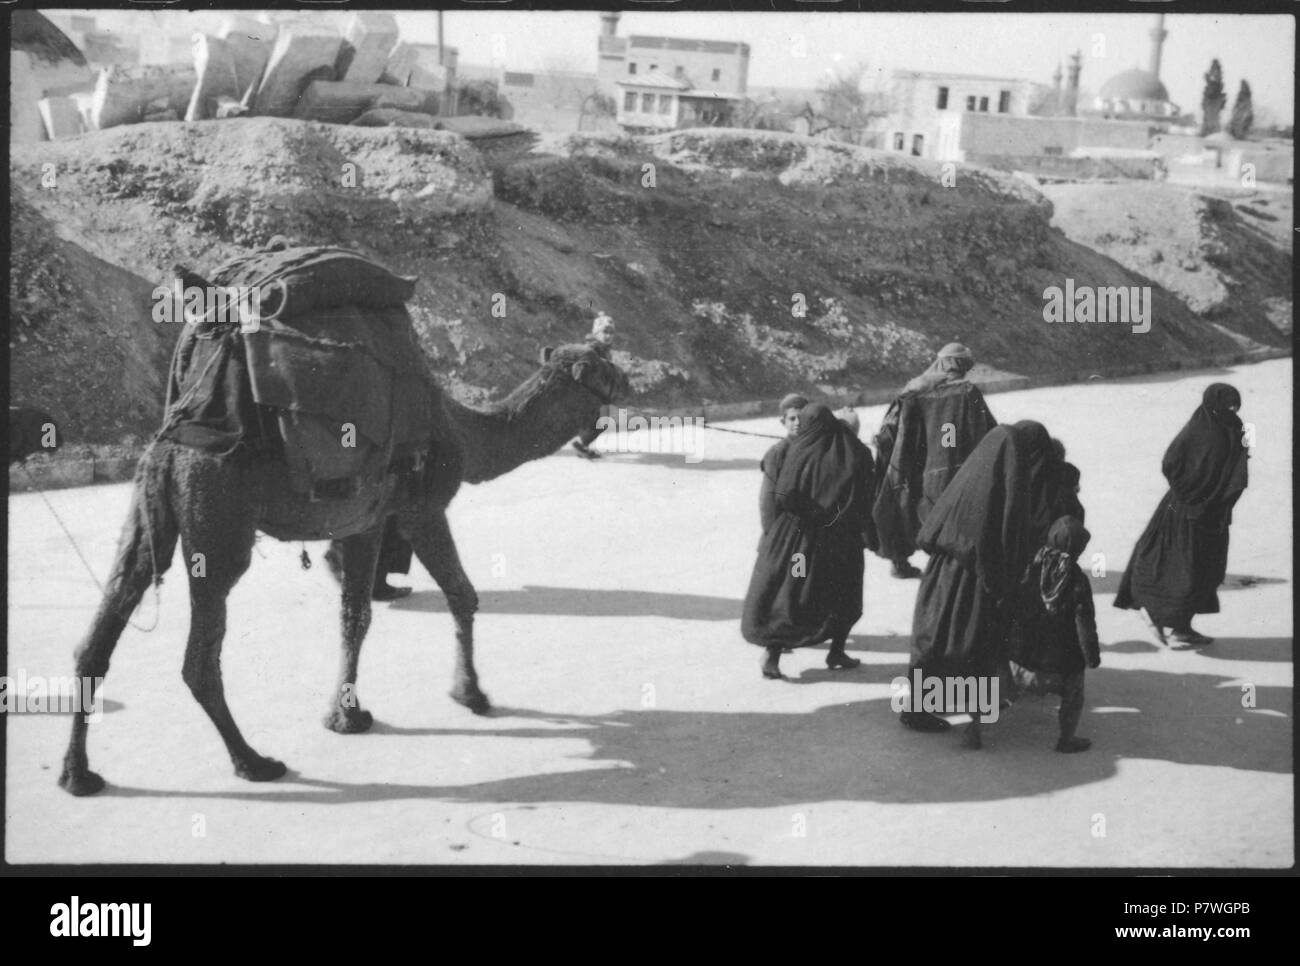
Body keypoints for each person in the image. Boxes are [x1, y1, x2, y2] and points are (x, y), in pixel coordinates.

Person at [903, 420, 1062, 745]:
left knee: (933, 641)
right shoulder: (1006, 489)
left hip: (942, 575)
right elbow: (1001, 546)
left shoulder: (968, 479)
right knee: (974, 644)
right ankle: (963, 721)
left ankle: (919, 706)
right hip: (971, 582)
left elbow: (932, 529)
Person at [742, 403, 875, 679]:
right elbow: (864, 497)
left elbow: (781, 497)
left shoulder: (795, 452)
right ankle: (836, 651)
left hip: (795, 539)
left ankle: (773, 654)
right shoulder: (854, 452)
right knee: (844, 596)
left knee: (790, 596)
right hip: (840, 539)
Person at [1115, 384, 1249, 647]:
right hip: (1186, 511)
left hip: (1211, 513)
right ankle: (1155, 612)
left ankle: (1181, 627)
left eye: (1236, 405)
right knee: (1181, 569)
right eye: (1228, 405)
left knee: (1205, 571)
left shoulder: (1231, 428)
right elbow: (1170, 462)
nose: (1232, 410)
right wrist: (1190, 491)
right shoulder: (1201, 429)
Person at [872, 342, 997, 580]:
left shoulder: (914, 388)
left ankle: (900, 561)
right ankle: (945, 569)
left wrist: (882, 444)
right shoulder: (968, 392)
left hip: (916, 465)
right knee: (952, 514)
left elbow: (890, 427)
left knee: (904, 504)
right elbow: (988, 429)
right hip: (956, 466)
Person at [1003, 516, 1101, 753]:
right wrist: (1092, 658)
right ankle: (1066, 739)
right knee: (1074, 695)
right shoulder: (1077, 581)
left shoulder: (1030, 569)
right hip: (1060, 669)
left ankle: (975, 727)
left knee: (998, 690)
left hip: (1019, 662)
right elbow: (1084, 626)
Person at [571, 313, 617, 459]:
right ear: (596, 333)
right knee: (601, 419)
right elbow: (582, 367)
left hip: (596, 391)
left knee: (603, 418)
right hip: (585, 391)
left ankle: (582, 444)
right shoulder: (591, 349)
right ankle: (581, 444)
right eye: (605, 332)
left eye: (611, 332)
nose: (608, 336)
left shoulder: (605, 350)